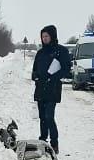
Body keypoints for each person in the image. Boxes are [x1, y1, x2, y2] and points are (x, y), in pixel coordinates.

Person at [31, 25, 73, 153]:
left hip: (53, 88)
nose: (44, 39)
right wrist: (35, 76)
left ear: (52, 36)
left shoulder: (61, 51)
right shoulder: (40, 52)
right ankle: (43, 140)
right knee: (42, 117)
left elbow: (66, 69)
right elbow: (34, 70)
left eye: (46, 36)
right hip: (40, 88)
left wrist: (53, 77)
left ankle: (54, 143)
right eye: (42, 36)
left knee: (49, 116)